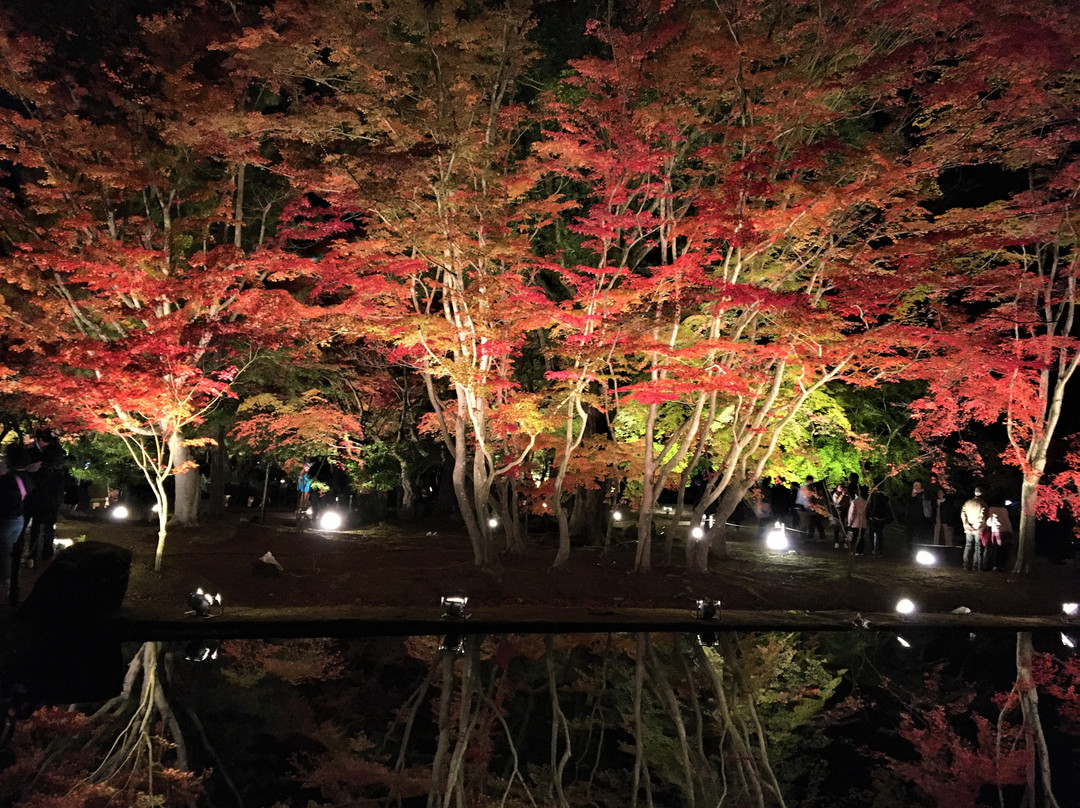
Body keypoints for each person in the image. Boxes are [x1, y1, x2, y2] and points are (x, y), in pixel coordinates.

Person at [23, 428, 68, 568]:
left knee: (37, 526)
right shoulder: (59, 454)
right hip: (49, 496)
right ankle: (42, 556)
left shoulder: (36, 454)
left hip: (37, 495)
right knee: (45, 526)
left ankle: (34, 556)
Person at [0, 443, 34, 602]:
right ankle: (10, 585)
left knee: (4, 553)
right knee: (9, 551)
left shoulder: (8, 480)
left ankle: (6, 586)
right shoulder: (26, 478)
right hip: (18, 519)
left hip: (6, 520)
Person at [961, 486, 989, 572]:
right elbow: (982, 517)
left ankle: (966, 565)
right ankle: (976, 565)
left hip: (968, 528)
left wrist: (967, 525)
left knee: (968, 545)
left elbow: (963, 514)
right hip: (978, 529)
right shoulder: (983, 504)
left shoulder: (968, 502)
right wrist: (976, 527)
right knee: (978, 546)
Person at [985, 496, 1014, 571]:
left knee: (996, 549)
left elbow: (989, 522)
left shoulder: (992, 509)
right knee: (1005, 549)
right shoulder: (1004, 510)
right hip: (1007, 530)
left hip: (997, 530)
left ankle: (996, 565)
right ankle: (1003, 565)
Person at [904, 481, 931, 549]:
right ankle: (910, 547)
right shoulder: (909, 493)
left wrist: (923, 492)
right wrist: (911, 496)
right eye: (915, 485)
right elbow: (905, 502)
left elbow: (929, 500)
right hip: (911, 516)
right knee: (910, 533)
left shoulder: (924, 493)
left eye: (918, 485)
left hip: (921, 516)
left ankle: (921, 546)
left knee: (921, 533)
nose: (916, 487)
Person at [800, 475, 827, 542]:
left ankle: (818, 536)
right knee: (813, 522)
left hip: (815, 508)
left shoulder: (813, 488)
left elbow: (818, 498)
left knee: (816, 522)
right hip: (812, 508)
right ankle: (812, 536)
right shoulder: (810, 488)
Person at [867, 484, 892, 556]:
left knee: (872, 534)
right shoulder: (885, 496)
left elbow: (872, 506)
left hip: (875, 517)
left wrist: (869, 515)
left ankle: (873, 549)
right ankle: (880, 550)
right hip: (882, 518)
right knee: (880, 534)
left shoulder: (874, 496)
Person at [847, 486, 869, 555]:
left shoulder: (854, 502)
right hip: (863, 522)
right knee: (861, 537)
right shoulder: (865, 502)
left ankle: (855, 551)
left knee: (855, 537)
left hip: (855, 523)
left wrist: (849, 523)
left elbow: (851, 513)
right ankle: (861, 551)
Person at [832, 483, 851, 548]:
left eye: (841, 487)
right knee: (837, 527)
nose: (841, 489)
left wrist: (847, 494)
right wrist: (842, 495)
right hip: (837, 512)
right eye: (839, 487)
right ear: (837, 488)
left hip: (844, 512)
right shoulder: (835, 494)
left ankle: (845, 542)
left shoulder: (846, 494)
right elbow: (836, 503)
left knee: (845, 528)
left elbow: (849, 502)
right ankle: (836, 542)